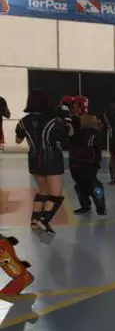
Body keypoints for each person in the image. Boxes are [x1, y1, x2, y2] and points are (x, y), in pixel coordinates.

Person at [15, 90, 73, 235]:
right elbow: (69, 133)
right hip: (52, 158)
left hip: (34, 159)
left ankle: (34, 221)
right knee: (56, 194)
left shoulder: (23, 121)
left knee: (42, 191)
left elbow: (18, 140)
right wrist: (67, 123)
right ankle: (44, 220)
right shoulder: (53, 120)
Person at [69, 110, 107, 215]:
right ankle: (97, 207)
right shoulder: (92, 134)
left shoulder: (86, 134)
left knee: (85, 185)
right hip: (84, 163)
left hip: (79, 164)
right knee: (89, 185)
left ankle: (90, 206)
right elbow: (97, 151)